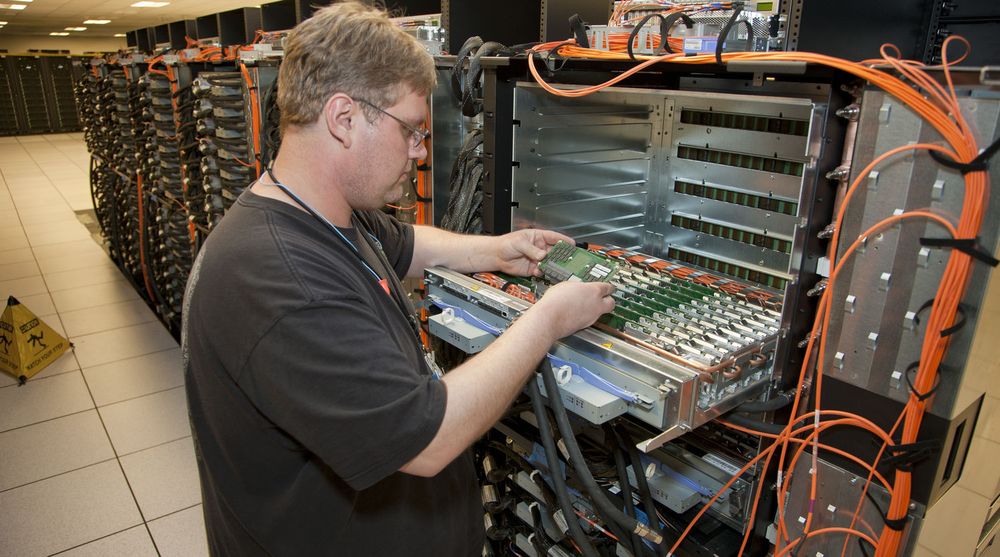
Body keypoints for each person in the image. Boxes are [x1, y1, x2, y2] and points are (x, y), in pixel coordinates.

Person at [182, 2, 615, 555]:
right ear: (343, 119)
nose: (420, 149)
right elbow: (428, 438)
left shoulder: (322, 213)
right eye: (410, 130)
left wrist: (501, 250)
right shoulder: (277, 278)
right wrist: (547, 320)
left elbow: (405, 244)